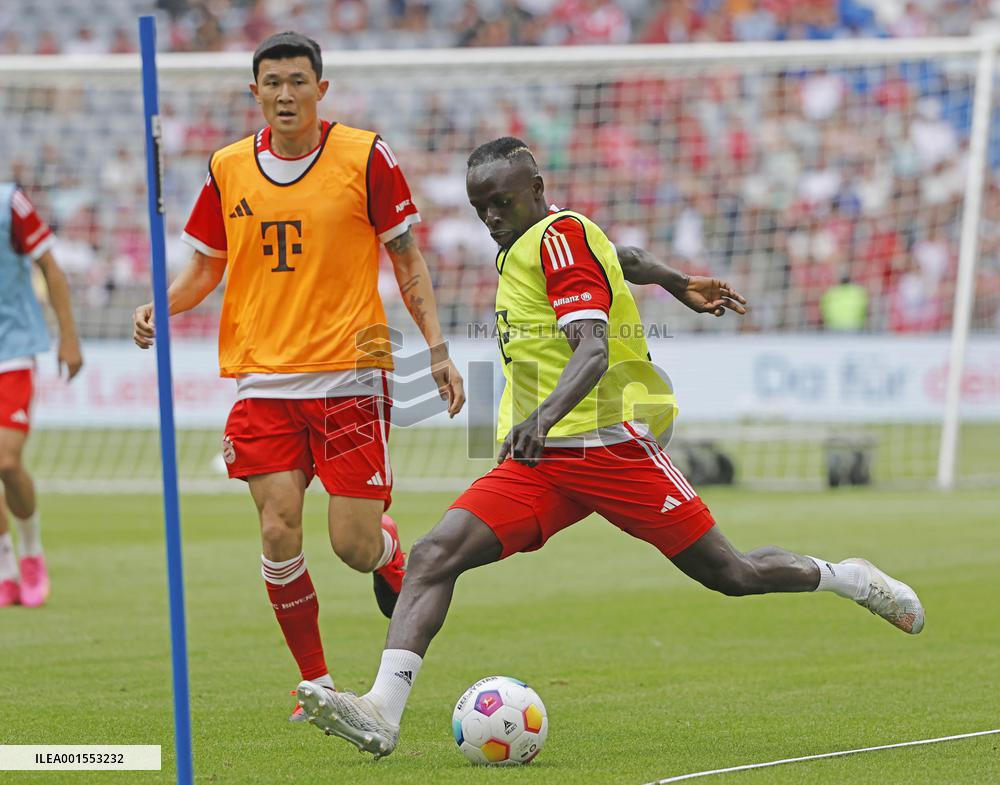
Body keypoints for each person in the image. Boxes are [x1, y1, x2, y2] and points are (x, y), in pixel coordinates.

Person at [294, 137, 924, 756]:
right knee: (435, 553)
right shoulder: (535, 243)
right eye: (479, 205)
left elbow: (592, 350)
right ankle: (382, 710)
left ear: (537, 191)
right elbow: (622, 256)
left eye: (502, 203)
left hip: (609, 449)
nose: (490, 217)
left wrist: (540, 417)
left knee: (733, 574)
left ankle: (848, 578)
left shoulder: (557, 237)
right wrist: (676, 280)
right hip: (542, 463)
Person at [131, 32, 465, 720]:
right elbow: (205, 266)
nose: (285, 94)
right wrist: (158, 308)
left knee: (352, 544)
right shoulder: (227, 167)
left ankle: (389, 549)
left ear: (322, 89)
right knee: (278, 527)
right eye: (272, 82)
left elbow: (405, 258)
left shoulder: (366, 156)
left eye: (297, 81)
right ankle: (314, 681)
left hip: (349, 375)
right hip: (263, 381)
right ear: (255, 92)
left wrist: (436, 347)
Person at [0, 183, 83, 608]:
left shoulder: (9, 202)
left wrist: (68, 337)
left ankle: (31, 551)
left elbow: (51, 266)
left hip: (11, 351)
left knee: (6, 461)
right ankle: (5, 566)